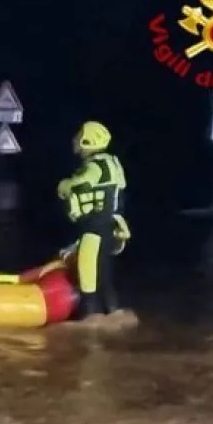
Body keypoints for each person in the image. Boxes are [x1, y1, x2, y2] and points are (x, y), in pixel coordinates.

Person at [56, 121, 128, 318]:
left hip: (95, 228)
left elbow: (78, 185)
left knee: (87, 274)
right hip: (110, 227)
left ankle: (90, 319)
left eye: (80, 136)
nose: (75, 140)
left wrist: (63, 186)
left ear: (88, 141)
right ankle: (113, 312)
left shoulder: (96, 166)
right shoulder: (112, 162)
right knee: (104, 274)